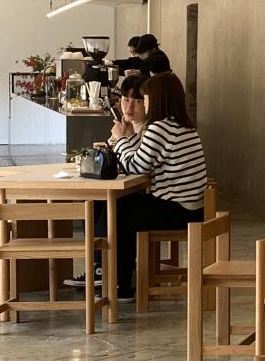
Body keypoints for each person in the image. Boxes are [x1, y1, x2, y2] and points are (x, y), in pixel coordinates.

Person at [67, 72, 206, 299]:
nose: (143, 102)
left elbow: (136, 166)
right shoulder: (182, 126)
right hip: (191, 207)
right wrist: (129, 138)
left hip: (178, 210)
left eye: (145, 97)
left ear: (157, 99)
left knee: (117, 209)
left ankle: (112, 278)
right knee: (118, 206)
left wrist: (121, 139)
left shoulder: (160, 128)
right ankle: (111, 275)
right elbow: (143, 160)